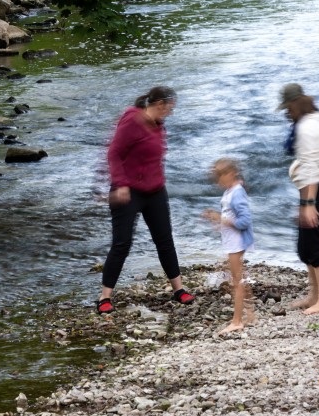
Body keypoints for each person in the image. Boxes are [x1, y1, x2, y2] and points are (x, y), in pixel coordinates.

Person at [96, 86, 195, 312]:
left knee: (165, 240)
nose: (170, 112)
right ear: (159, 104)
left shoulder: (158, 124)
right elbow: (114, 153)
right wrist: (120, 184)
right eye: (169, 108)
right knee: (122, 243)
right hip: (128, 191)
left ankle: (178, 289)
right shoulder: (132, 120)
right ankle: (104, 298)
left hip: (155, 191)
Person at [278, 83, 319, 315]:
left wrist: (308, 205)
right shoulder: (316, 119)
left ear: (293, 105)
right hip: (314, 189)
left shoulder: (308, 127)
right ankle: (313, 297)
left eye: (286, 108)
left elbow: (312, 167)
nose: (285, 113)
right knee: (306, 246)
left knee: (315, 246)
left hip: (316, 190)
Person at [202, 158, 256, 336]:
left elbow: (244, 221)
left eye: (219, 177)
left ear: (230, 174)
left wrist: (222, 220)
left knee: (236, 282)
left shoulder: (237, 193)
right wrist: (218, 220)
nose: (217, 181)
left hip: (237, 243)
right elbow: (230, 216)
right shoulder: (229, 191)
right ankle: (250, 313)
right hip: (231, 242)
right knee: (236, 277)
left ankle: (237, 321)